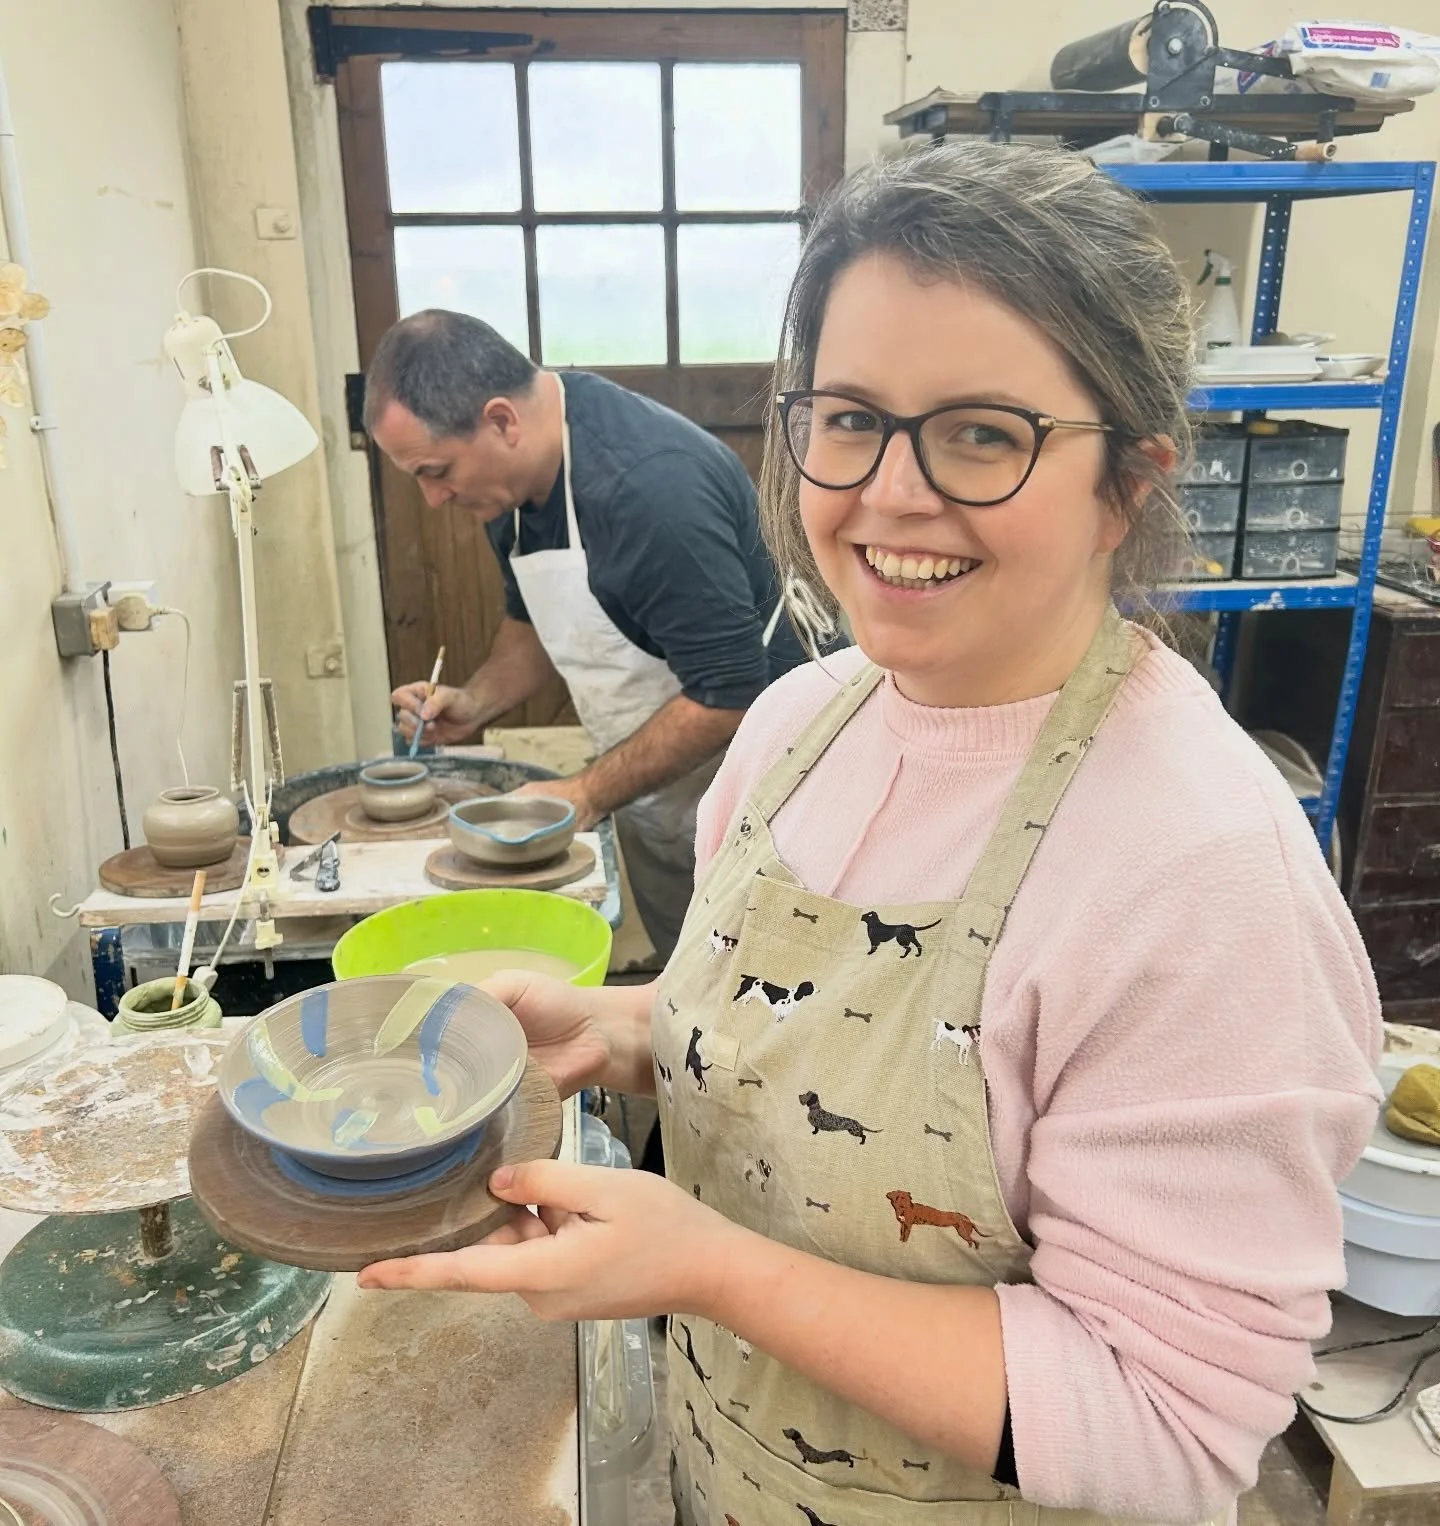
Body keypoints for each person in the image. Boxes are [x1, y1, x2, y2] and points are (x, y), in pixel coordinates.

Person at [358, 142, 1383, 1526]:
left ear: (1128, 480)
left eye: (982, 432)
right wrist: (627, 1023)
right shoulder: (802, 722)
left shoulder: (1199, 871)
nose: (891, 493)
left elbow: (1170, 1425)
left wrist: (706, 1265)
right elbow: (855, 1041)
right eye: (848, 418)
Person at [366, 312, 822, 960]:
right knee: (686, 977)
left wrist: (583, 793)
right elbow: (532, 630)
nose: (434, 498)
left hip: (774, 789)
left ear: (501, 421)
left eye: (436, 471)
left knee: (768, 991)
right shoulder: (511, 489)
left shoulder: (649, 488)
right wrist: (472, 703)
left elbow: (730, 693)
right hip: (659, 786)